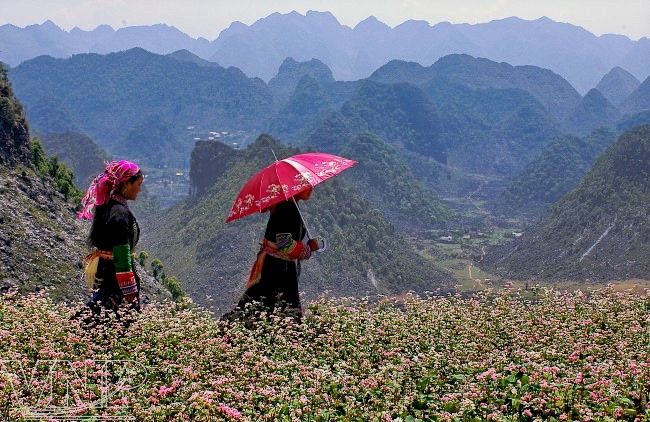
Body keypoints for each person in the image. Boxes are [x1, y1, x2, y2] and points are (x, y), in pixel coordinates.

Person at [234, 187, 321, 323]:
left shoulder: (290, 206)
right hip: (278, 268)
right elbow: (284, 242)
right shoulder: (286, 208)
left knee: (264, 301)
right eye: (305, 186)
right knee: (281, 305)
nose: (310, 189)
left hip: (277, 265)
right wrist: (308, 248)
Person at [77, 160, 144, 315]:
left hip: (104, 270)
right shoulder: (119, 214)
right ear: (126, 184)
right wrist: (130, 293)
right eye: (138, 184)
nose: (140, 189)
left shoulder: (107, 207)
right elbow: (121, 255)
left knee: (100, 317)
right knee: (117, 321)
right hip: (115, 277)